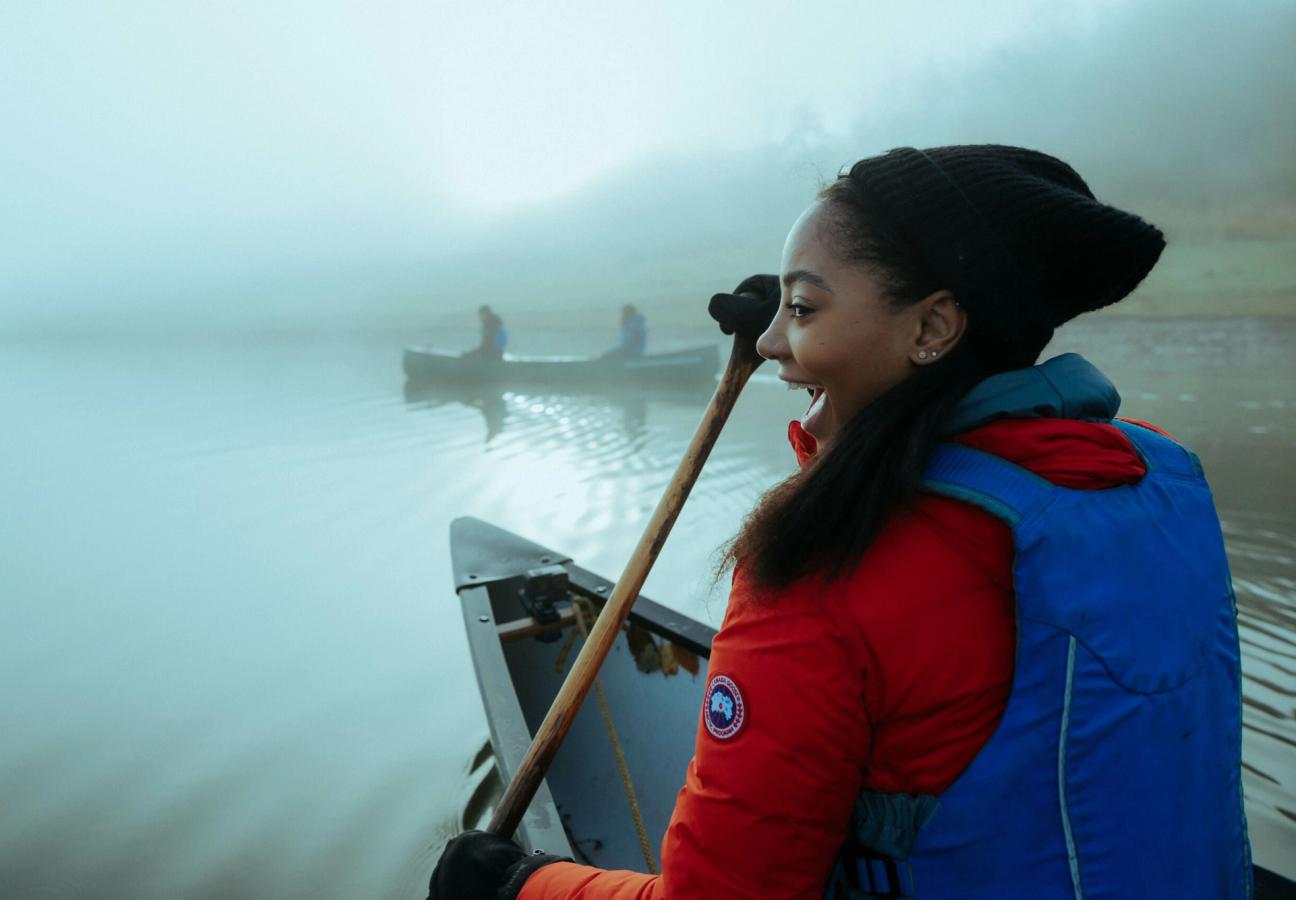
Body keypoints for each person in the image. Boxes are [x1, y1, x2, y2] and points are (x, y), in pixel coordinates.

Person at [428, 146, 1252, 899]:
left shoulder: (822, 567)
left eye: (803, 310)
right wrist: (809, 317)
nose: (772, 345)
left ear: (933, 327)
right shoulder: (1166, 474)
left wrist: (514, 888)